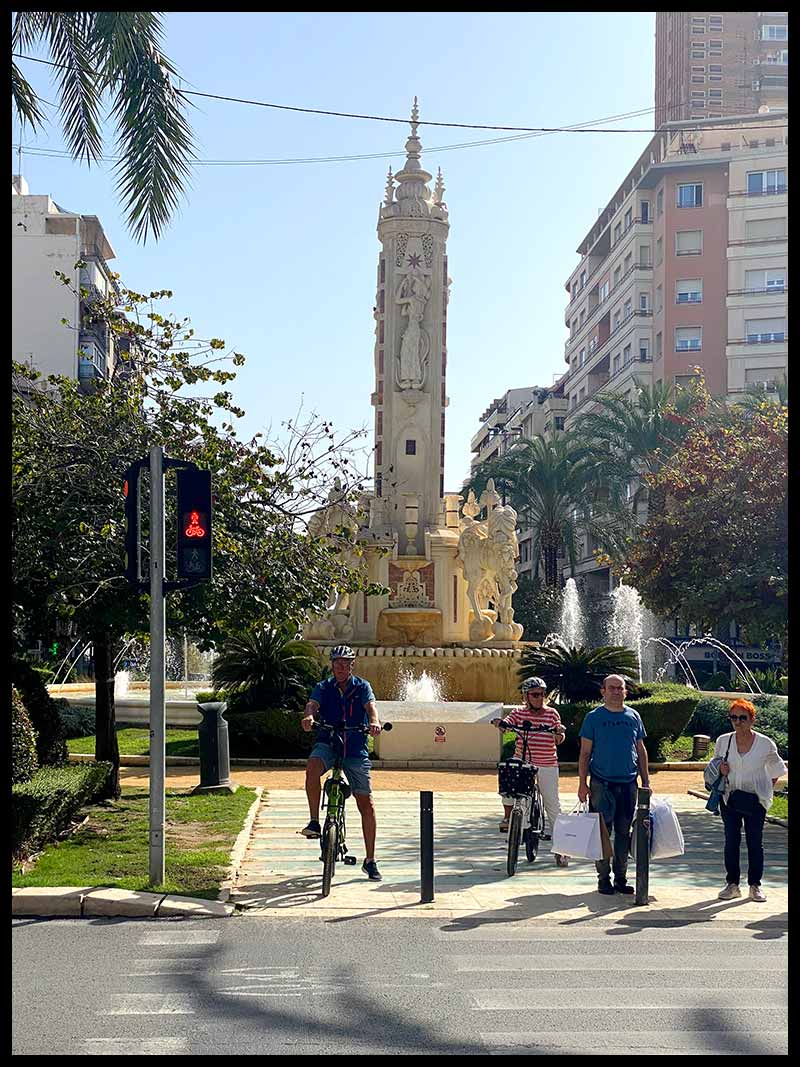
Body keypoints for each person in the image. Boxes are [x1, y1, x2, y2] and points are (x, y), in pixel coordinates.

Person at [300, 645, 383, 881]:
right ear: (331, 664)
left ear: (352, 665)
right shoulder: (324, 687)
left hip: (355, 745)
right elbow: (312, 704)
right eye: (337, 662)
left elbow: (371, 708)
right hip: (328, 740)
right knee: (312, 767)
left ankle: (370, 860)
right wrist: (309, 716)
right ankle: (315, 822)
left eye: (345, 662)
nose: (340, 666)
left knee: (366, 803)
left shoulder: (362, 686)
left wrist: (374, 722)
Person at [578, 674, 650, 895]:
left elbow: (640, 750)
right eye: (612, 688)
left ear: (625, 691)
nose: (617, 692)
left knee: (624, 833)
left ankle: (621, 878)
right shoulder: (593, 718)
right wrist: (582, 783)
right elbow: (585, 753)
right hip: (601, 784)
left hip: (628, 783)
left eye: (620, 688)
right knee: (602, 833)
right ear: (603, 691)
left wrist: (645, 780)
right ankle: (603, 878)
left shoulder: (633, 716)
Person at [492, 676, 569, 868]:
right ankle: (509, 816)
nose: (539, 698)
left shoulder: (552, 713)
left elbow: (560, 736)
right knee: (508, 772)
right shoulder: (519, 713)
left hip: (547, 764)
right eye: (535, 694)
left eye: (542, 694)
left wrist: (559, 733)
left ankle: (561, 851)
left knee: (553, 806)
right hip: (523, 761)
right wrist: (501, 724)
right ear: (526, 696)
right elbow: (507, 723)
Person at [714, 698, 786, 903]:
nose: (738, 722)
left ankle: (755, 885)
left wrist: (764, 789)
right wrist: (721, 769)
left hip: (756, 800)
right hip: (730, 797)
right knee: (731, 841)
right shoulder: (723, 741)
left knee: (755, 842)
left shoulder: (765, 743)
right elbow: (716, 764)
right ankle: (732, 884)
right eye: (733, 717)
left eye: (742, 718)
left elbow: (777, 770)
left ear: (752, 719)